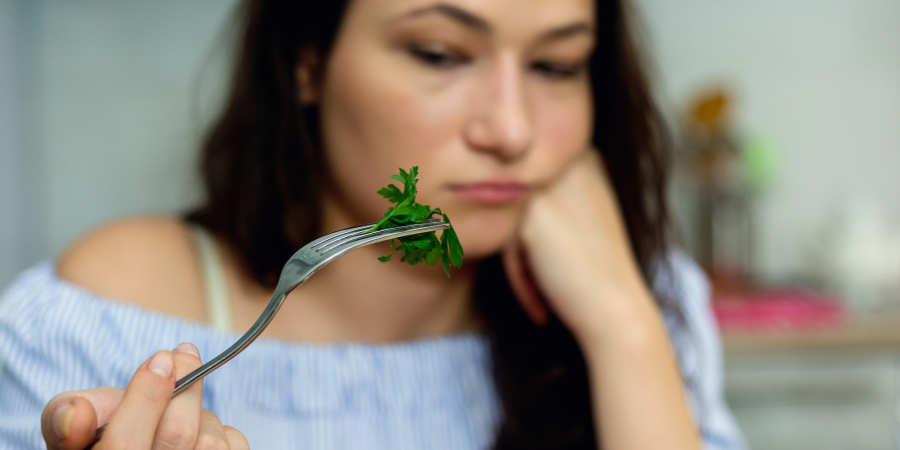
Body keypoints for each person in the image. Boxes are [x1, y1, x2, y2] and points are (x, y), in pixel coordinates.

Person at [0, 0, 746, 449]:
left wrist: (622, 327)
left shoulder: (641, 299)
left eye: (556, 66)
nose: (512, 131)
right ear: (308, 62)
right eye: (439, 54)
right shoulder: (97, 321)